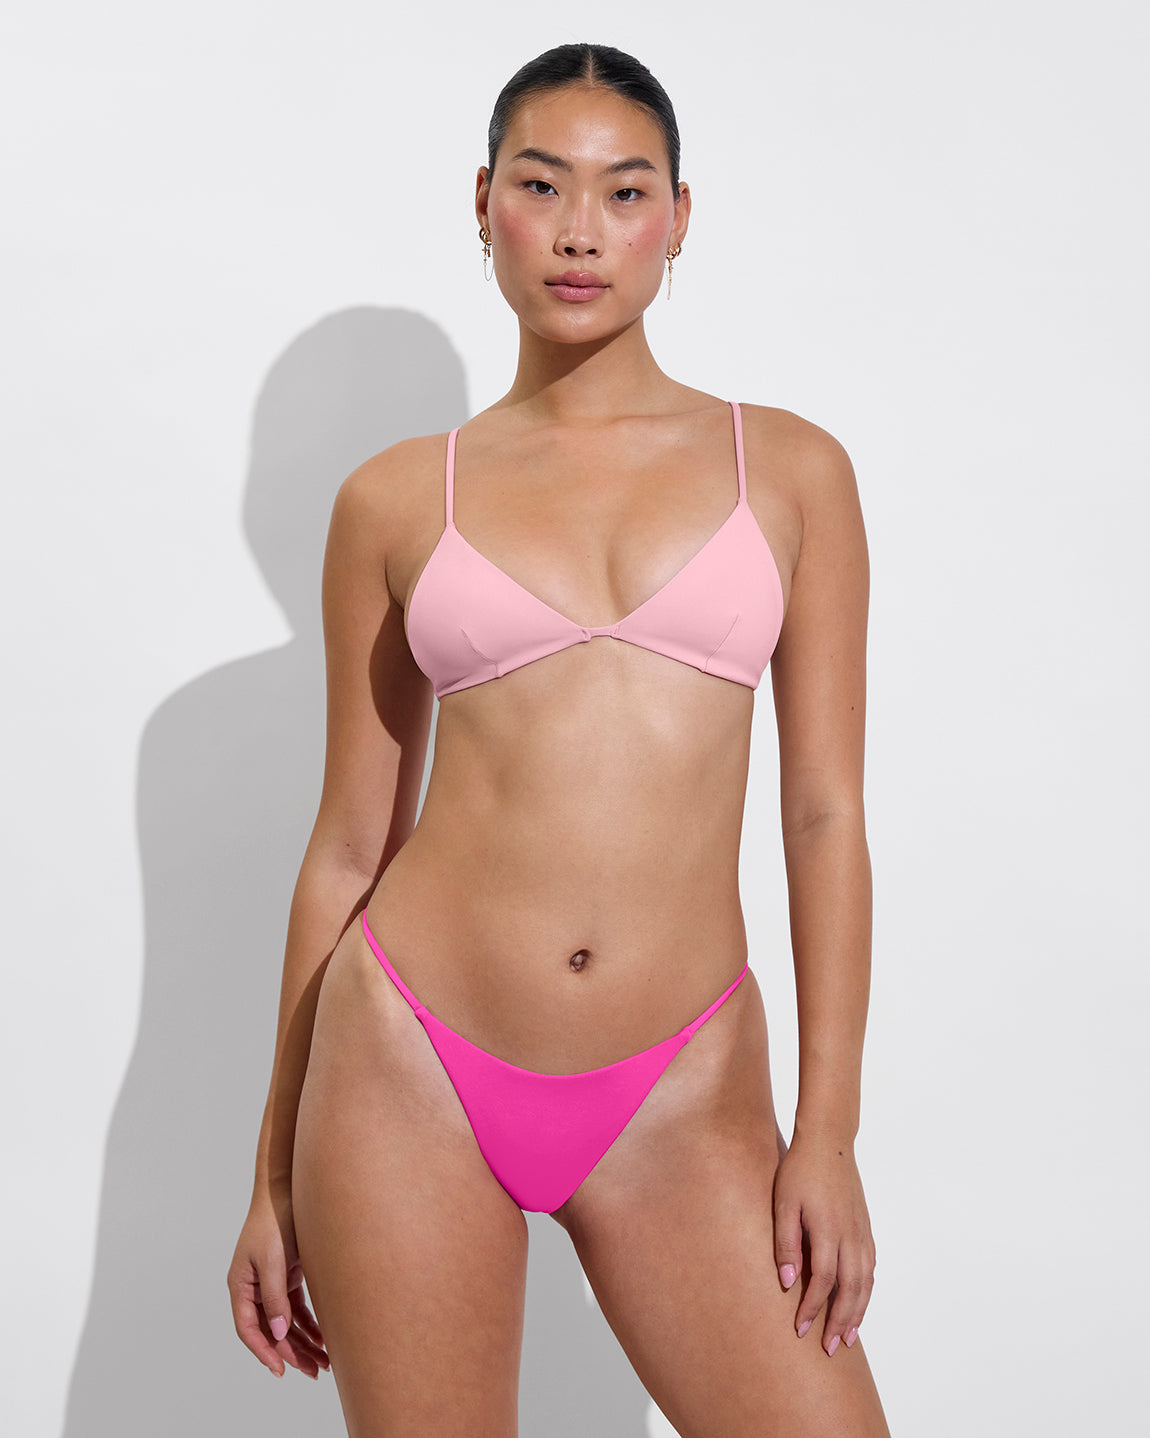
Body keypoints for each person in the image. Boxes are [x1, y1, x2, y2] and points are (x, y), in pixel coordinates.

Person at [227, 40, 890, 1437]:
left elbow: (824, 813)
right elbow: (348, 842)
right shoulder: (396, 498)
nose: (582, 230)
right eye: (541, 185)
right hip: (408, 1062)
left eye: (625, 191)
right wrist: (275, 1169)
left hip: (684, 1084)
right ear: (484, 203)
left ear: (678, 217)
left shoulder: (788, 472)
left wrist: (826, 1129)